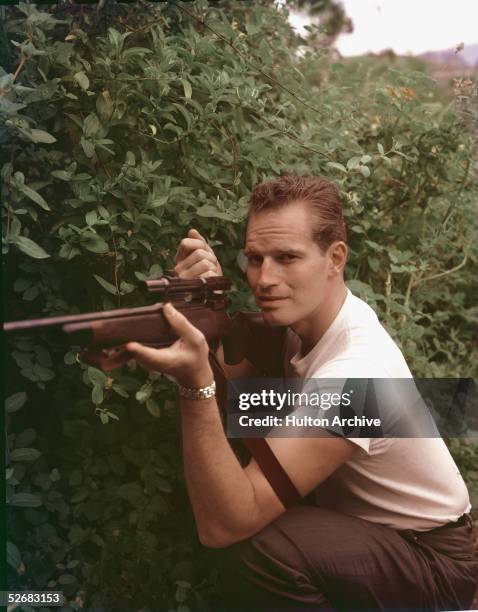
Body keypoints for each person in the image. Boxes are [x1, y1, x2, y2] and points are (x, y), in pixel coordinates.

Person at [126, 174, 477, 610]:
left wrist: (193, 384)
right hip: (374, 535)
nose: (264, 279)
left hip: (433, 563)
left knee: (262, 545)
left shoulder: (357, 373)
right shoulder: (310, 322)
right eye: (255, 258)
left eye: (287, 257)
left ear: (335, 258)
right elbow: (246, 402)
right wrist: (205, 311)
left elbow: (224, 525)